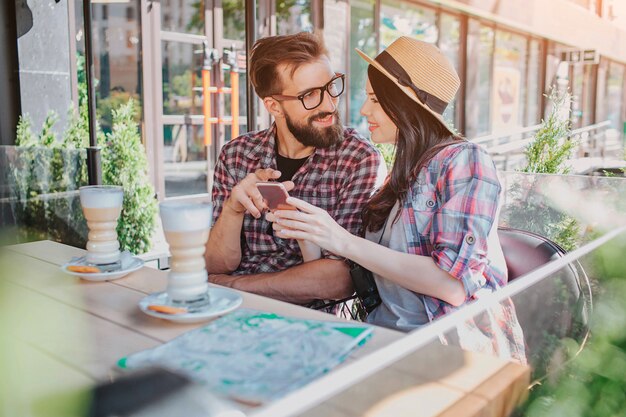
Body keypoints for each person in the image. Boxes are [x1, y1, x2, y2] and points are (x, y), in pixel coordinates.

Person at [270, 37, 526, 362]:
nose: (364, 110)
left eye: (375, 99)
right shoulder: (400, 175)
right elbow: (364, 271)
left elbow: (453, 286)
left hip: (454, 351)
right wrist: (307, 231)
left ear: (407, 104)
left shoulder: (466, 161)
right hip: (385, 341)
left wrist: (341, 239)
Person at [206, 32, 382, 306]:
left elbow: (341, 280)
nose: (329, 104)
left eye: (330, 86)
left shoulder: (358, 160)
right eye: (309, 95)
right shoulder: (236, 155)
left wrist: (234, 286)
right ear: (273, 106)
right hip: (228, 310)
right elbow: (216, 265)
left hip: (309, 322)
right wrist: (234, 209)